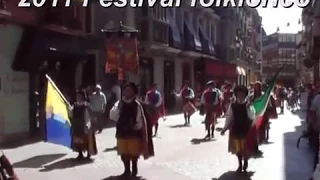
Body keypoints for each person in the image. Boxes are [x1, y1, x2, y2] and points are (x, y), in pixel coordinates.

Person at [109, 82, 154, 178]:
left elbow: (140, 119)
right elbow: (112, 116)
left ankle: (134, 169)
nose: (127, 92)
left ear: (134, 92)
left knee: (133, 153)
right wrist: (118, 109)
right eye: (125, 90)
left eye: (129, 90)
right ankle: (126, 171)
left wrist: (135, 127)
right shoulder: (119, 103)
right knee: (124, 153)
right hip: (122, 132)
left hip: (134, 134)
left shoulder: (138, 105)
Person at [221, 85, 255, 172]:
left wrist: (249, 108)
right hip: (236, 129)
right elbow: (229, 117)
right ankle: (240, 164)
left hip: (246, 129)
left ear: (244, 95)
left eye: (242, 94)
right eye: (238, 94)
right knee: (238, 148)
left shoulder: (248, 105)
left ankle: (246, 160)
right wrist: (224, 128)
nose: (240, 95)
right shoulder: (232, 106)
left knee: (245, 147)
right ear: (236, 95)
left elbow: (252, 116)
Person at [71, 90, 98, 160]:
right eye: (77, 96)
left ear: (83, 97)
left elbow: (88, 116)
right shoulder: (75, 105)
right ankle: (80, 153)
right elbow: (71, 114)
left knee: (87, 140)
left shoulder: (86, 105)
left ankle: (88, 153)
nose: (78, 97)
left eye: (80, 96)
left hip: (84, 125)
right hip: (77, 125)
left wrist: (87, 125)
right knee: (78, 140)